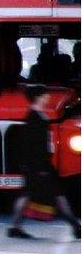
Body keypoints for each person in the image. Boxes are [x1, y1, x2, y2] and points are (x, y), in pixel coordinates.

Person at [8, 85, 81, 239]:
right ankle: (75, 226)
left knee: (29, 194)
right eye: (45, 95)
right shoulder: (34, 118)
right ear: (38, 97)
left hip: (39, 164)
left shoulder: (37, 115)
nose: (48, 97)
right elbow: (34, 145)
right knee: (56, 194)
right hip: (39, 164)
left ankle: (15, 227)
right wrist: (41, 166)